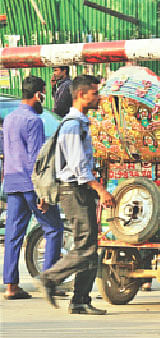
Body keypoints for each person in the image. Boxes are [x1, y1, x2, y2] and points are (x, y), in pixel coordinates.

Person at [39, 75, 115, 315]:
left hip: (79, 190)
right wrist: (100, 189)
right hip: (74, 190)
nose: (98, 97)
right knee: (86, 247)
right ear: (81, 95)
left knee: (91, 245)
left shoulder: (80, 123)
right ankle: (50, 278)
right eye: (94, 93)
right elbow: (77, 166)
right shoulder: (72, 125)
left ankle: (80, 300)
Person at [2, 76, 64, 300]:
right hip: (30, 184)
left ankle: (11, 285)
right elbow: (36, 159)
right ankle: (49, 282)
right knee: (54, 228)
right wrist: (42, 192)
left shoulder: (9, 119)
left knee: (13, 235)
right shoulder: (33, 121)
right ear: (38, 95)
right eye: (44, 94)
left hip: (12, 181)